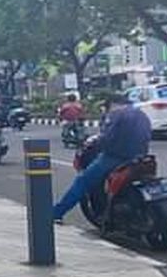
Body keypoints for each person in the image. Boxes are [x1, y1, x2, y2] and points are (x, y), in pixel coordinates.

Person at [52, 93, 152, 225]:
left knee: (82, 181)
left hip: (115, 157)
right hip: (140, 157)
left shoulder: (116, 114)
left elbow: (107, 138)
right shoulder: (141, 114)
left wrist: (94, 143)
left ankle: (57, 213)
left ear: (112, 104)